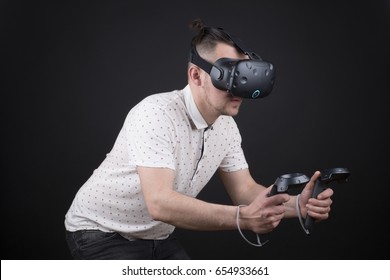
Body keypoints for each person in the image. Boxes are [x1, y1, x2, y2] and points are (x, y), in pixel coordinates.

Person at [64, 19, 334, 260]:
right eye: (230, 75)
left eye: (245, 75)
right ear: (196, 75)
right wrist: (243, 218)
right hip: (100, 232)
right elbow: (159, 202)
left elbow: (245, 192)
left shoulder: (226, 127)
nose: (239, 87)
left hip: (157, 237)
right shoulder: (155, 113)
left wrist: (299, 205)